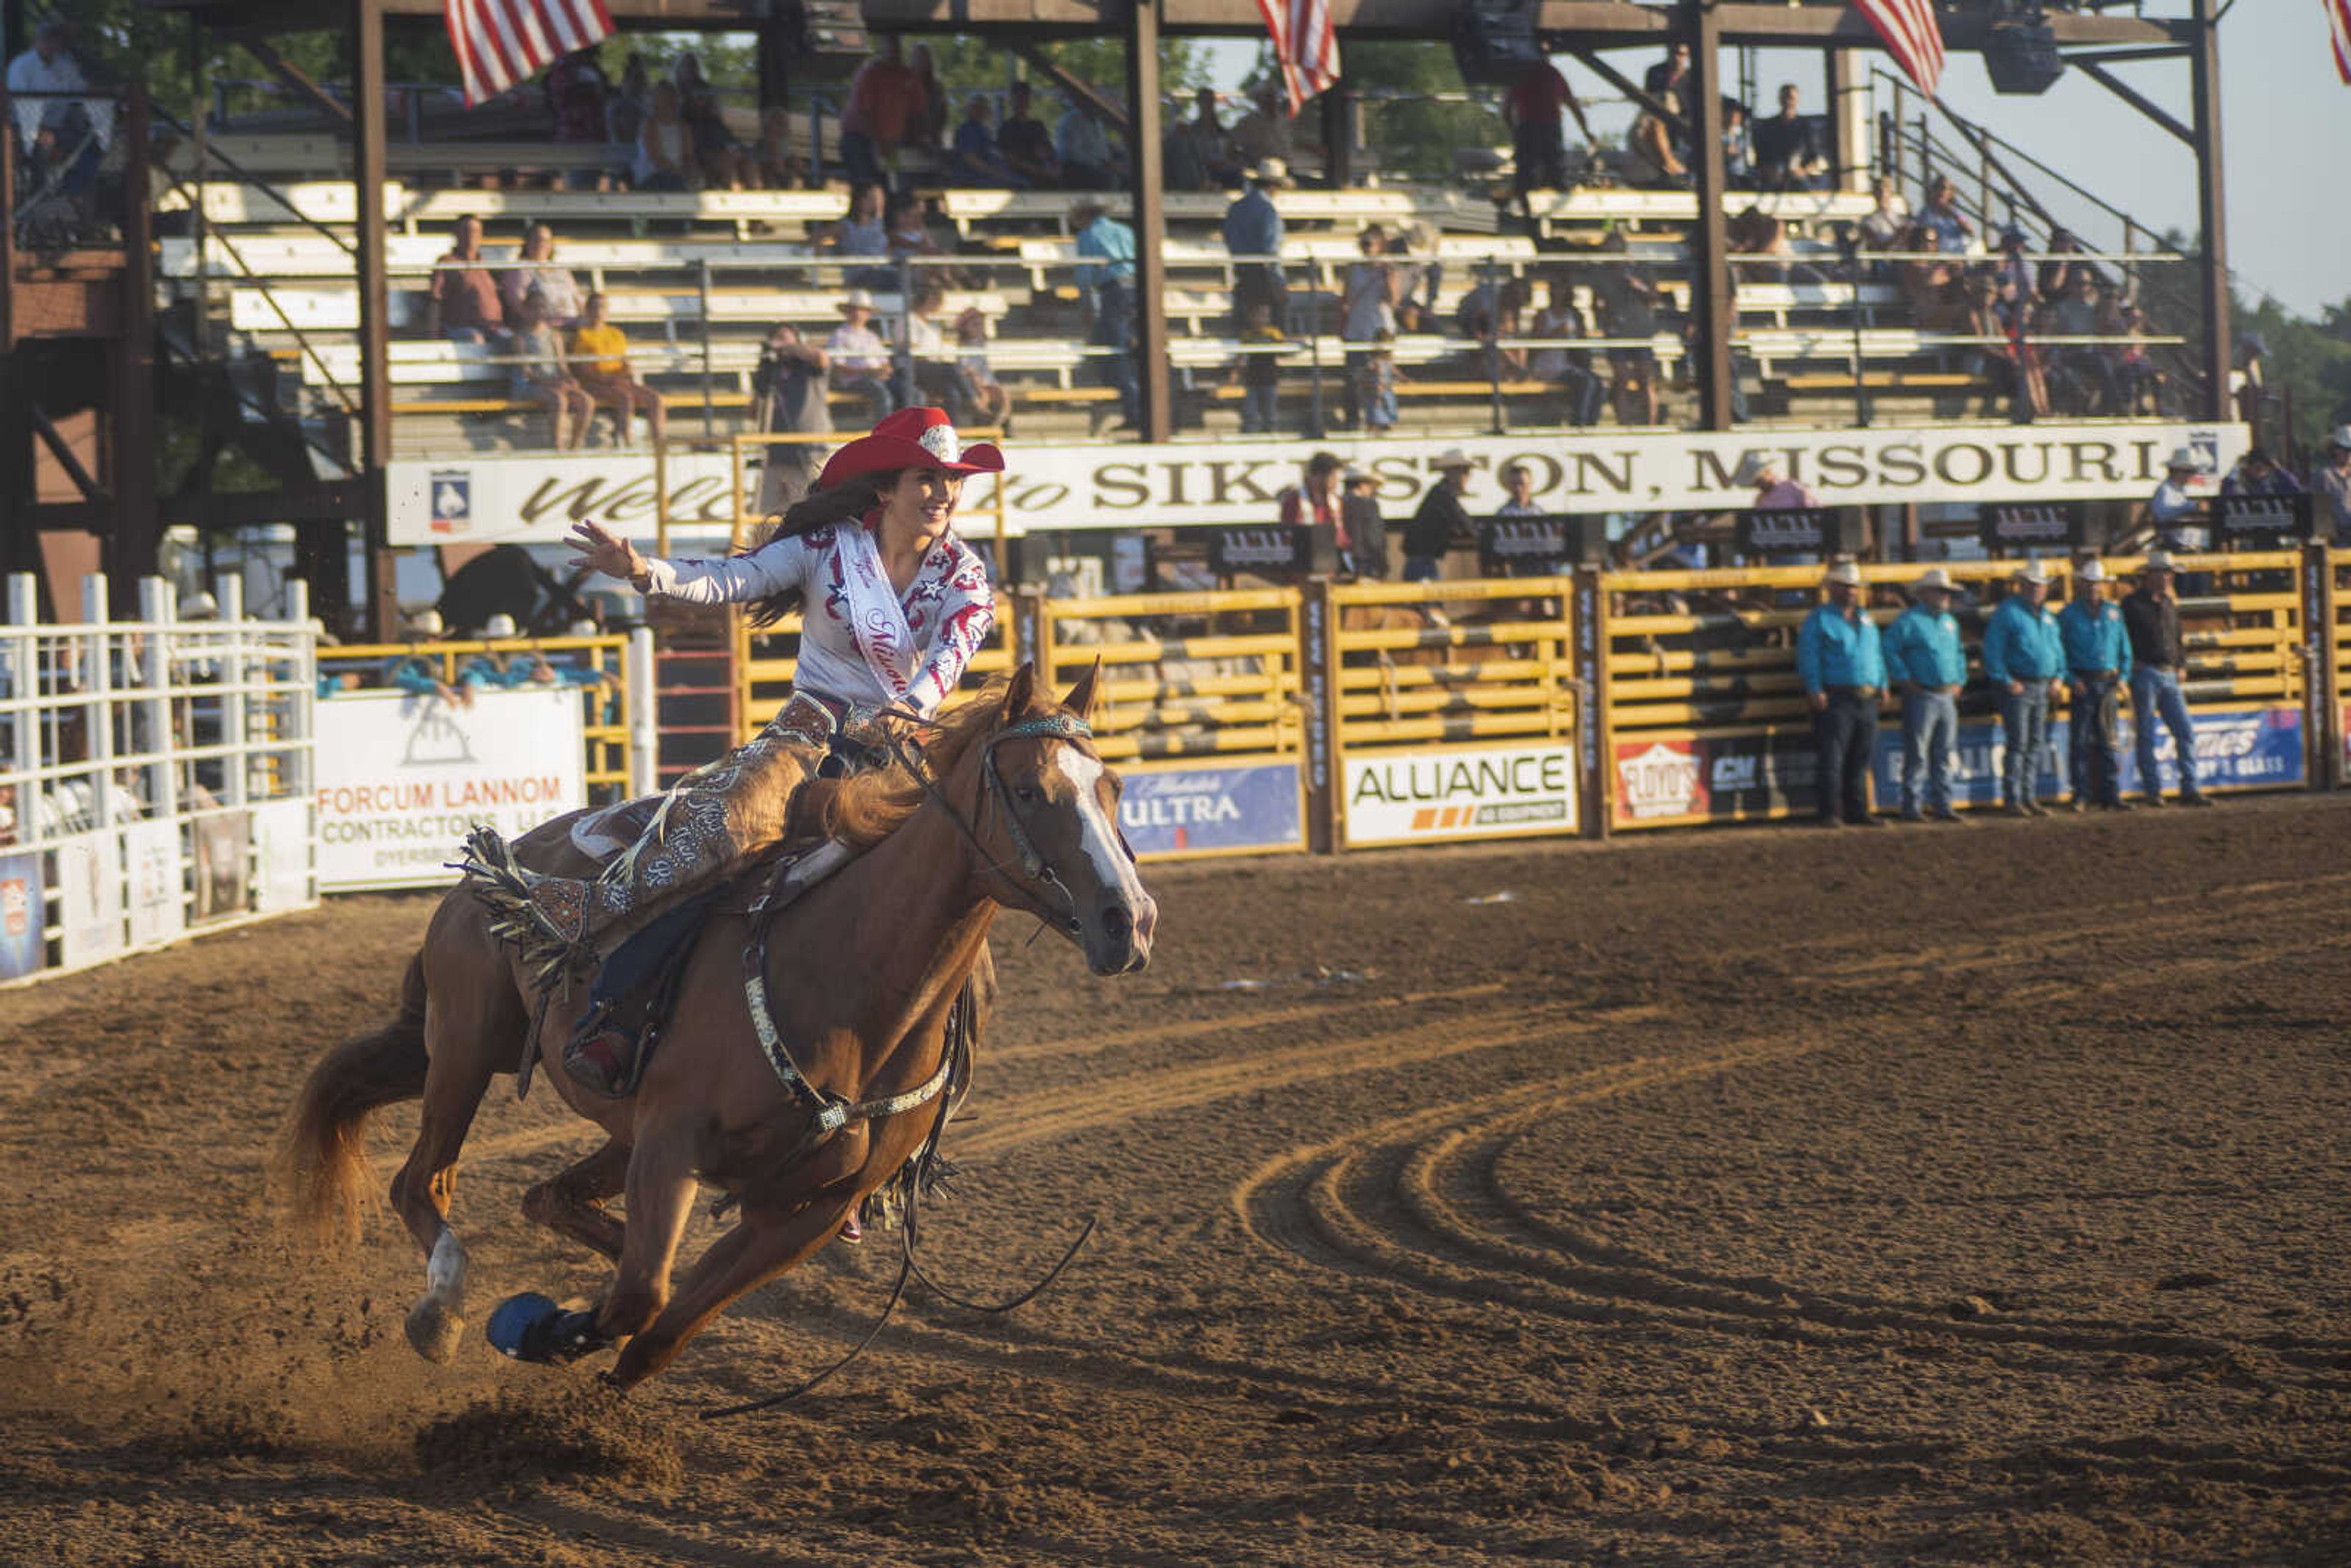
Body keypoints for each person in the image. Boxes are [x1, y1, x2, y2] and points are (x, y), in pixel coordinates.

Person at [463, 407, 1003, 1089]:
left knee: (961, 879)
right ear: (887, 487)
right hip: (808, 736)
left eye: (952, 482)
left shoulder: (965, 576)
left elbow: (949, 660)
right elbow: (733, 578)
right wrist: (641, 568)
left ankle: (936, 1078)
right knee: (720, 837)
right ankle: (611, 991)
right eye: (927, 479)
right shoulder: (829, 548)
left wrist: (909, 711)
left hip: (897, 751)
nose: (942, 495)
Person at [1796, 562, 1886, 827]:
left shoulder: (1866, 620)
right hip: (1836, 695)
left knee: (1860, 756)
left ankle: (1856, 810)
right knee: (1833, 758)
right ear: (1832, 588)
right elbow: (1808, 657)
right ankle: (1830, 812)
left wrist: (1881, 682)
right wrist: (1815, 688)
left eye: (1854, 587)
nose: (1851, 591)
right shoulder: (1819, 619)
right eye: (1846, 586)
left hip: (1864, 695)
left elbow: (1875, 655)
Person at [2121, 549, 2213, 808]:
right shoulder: (2132, 605)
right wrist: (2132, 664)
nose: (2168, 578)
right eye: (2164, 573)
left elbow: (2177, 637)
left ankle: (2187, 787)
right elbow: (2123, 639)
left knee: (2183, 730)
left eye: (2169, 574)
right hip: (2147, 672)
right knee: (2150, 733)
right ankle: (2156, 790)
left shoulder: (2167, 604)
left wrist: (2181, 663)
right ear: (2151, 575)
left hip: (2166, 672)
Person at [1883, 566, 1968, 823]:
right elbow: (1889, 650)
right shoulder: (1909, 622)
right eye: (1940, 592)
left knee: (1942, 751)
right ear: (1924, 594)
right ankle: (1913, 806)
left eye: (1947, 592)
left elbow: (1959, 654)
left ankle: (1942, 804)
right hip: (1923, 693)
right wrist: (1904, 678)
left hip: (1943, 694)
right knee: (1920, 753)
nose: (1945, 596)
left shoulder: (1949, 622)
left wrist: (1960, 679)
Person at [1980, 561, 2065, 817]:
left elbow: (2057, 651)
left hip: (2040, 685)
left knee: (2033, 743)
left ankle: (2027, 796)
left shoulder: (2047, 616)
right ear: (2022, 586)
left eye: (2039, 586)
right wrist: (2006, 680)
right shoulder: (2009, 613)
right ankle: (2015, 797)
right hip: (2021, 685)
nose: (2036, 590)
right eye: (2031, 585)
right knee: (2020, 743)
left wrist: (2058, 676)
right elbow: (1993, 651)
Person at [2058, 560, 2132, 813]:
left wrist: (2123, 676)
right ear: (2082, 585)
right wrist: (2070, 679)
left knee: (2108, 740)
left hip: (2108, 682)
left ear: (2104, 585)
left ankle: (2110, 794)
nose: (2093, 588)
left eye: (2097, 583)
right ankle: (2081, 794)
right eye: (2089, 583)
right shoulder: (2069, 615)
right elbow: (2059, 653)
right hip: (2083, 682)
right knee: (2080, 740)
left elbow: (2125, 649)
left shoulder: (2114, 613)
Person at [1073, 198, 1139, 431]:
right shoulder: (1125, 231)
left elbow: (1085, 273)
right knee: (1130, 345)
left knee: (1116, 347)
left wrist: (1086, 304)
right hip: (1139, 287)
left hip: (1115, 290)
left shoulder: (1088, 235)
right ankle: (1134, 400)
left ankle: (1133, 407)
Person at [569, 291, 666, 449]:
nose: (599, 312)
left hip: (617, 380)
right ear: (587, 311)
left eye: (603, 308)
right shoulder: (582, 335)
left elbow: (624, 362)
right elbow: (582, 369)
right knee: (624, 398)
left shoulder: (617, 334)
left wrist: (623, 375)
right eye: (595, 308)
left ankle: (660, 444)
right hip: (596, 382)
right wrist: (607, 380)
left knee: (655, 398)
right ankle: (627, 442)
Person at [752, 323, 831, 514]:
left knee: (807, 514)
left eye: (783, 337)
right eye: (775, 338)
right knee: (765, 518)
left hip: (806, 453)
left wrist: (789, 347)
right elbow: (754, 412)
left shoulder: (810, 368)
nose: (778, 343)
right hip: (775, 454)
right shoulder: (772, 371)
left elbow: (821, 358)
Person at [1504, 54, 1593, 208]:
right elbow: (1573, 105)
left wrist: (1514, 131)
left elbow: (1507, 110)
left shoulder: (1521, 75)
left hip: (1528, 126)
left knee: (1526, 169)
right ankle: (1556, 195)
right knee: (1553, 165)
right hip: (1548, 125)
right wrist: (1586, 131)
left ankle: (1525, 203)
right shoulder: (1553, 74)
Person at [508, 290, 594, 451]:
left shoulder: (554, 336)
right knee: (559, 400)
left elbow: (562, 366)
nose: (538, 312)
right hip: (529, 385)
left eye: (542, 307)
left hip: (554, 383)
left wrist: (569, 380)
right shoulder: (520, 337)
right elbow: (526, 372)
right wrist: (552, 382)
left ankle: (576, 445)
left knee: (586, 401)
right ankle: (557, 446)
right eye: (534, 307)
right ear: (526, 309)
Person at [1591, 233, 1660, 426]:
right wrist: (1605, 321)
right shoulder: (1601, 274)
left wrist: (1638, 286)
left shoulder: (1641, 269)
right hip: (1617, 333)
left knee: (1645, 379)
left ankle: (1651, 424)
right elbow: (1596, 304)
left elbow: (1655, 297)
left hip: (1640, 331)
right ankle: (1624, 423)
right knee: (1621, 378)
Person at [839, 36, 926, 189]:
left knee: (893, 185)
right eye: (890, 50)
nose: (894, 54)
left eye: (897, 51)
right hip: (861, 139)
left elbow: (918, 112)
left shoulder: (907, 75)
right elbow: (866, 112)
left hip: (892, 141)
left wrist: (920, 138)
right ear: (882, 52)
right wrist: (879, 140)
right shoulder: (870, 74)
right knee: (868, 186)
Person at [1340, 223, 1401, 427]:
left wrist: (1387, 279)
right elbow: (1345, 299)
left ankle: (1383, 418)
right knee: (1353, 377)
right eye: (1363, 244)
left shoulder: (1388, 269)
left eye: (1369, 244)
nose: (1365, 248)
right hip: (1357, 328)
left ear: (1380, 246)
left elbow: (1392, 301)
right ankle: (1353, 419)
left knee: (1380, 378)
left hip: (1380, 330)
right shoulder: (1353, 269)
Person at [1529, 274, 1603, 429]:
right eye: (1554, 289)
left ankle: (1591, 423)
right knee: (1586, 382)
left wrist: (1578, 337)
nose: (1556, 293)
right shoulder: (1543, 316)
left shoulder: (1574, 316)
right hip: (1549, 364)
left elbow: (1582, 346)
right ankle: (1579, 423)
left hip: (1568, 364)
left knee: (1598, 382)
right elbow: (1534, 348)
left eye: (1559, 289)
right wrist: (1554, 334)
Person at [1223, 157, 1289, 332]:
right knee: (1269, 330)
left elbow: (1229, 238)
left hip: (1243, 272)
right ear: (1274, 186)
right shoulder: (1268, 210)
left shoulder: (1236, 207)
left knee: (1246, 329)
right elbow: (1270, 249)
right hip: (1263, 277)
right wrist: (1278, 280)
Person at [673, 53, 751, 189]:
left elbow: (730, 141)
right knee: (724, 162)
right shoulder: (676, 105)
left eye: (693, 66)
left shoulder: (713, 121)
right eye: (686, 66)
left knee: (744, 161)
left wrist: (737, 150)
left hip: (716, 148)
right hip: (691, 152)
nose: (699, 101)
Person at [424, 214, 505, 343]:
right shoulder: (447, 262)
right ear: (456, 234)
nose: (471, 235)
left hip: (493, 328)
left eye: (476, 231)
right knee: (475, 339)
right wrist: (432, 339)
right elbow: (436, 300)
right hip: (462, 329)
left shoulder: (485, 264)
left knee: (515, 340)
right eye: (466, 230)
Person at [1402, 450, 1475, 582]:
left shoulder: (1440, 493)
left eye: (1467, 471)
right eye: (1464, 471)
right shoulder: (1443, 495)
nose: (1467, 476)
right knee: (1430, 601)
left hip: (1422, 561)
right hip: (1423, 563)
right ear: (1451, 473)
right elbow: (1464, 522)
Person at [827, 289, 895, 424]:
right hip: (855, 380)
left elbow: (885, 362)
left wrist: (885, 370)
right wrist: (869, 372)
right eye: (854, 310)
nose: (858, 314)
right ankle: (885, 435)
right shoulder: (840, 335)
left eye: (863, 310)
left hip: (874, 377)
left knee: (909, 391)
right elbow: (838, 368)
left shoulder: (872, 336)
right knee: (882, 394)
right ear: (848, 312)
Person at [501, 221, 583, 326]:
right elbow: (519, 305)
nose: (541, 243)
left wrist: (585, 320)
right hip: (544, 328)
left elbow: (577, 298)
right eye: (537, 239)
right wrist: (541, 328)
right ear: (527, 243)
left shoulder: (561, 270)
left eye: (546, 240)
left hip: (573, 324)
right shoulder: (519, 270)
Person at [1752, 83, 1827, 192]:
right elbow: (1760, 157)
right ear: (1780, 100)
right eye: (1785, 98)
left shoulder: (1805, 127)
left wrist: (1803, 171)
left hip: (1799, 181)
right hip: (1773, 181)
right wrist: (1768, 171)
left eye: (1791, 98)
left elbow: (1815, 157)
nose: (1788, 102)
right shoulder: (1768, 126)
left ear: (1797, 100)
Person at [1231, 298, 1286, 435]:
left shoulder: (1274, 334)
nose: (1261, 319)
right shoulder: (1247, 336)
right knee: (1250, 411)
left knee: (1270, 411)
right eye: (1258, 315)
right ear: (1251, 317)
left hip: (1269, 378)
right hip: (1252, 378)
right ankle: (1249, 433)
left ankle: (1271, 433)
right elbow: (1240, 356)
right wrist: (1235, 372)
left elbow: (1284, 350)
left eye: (1265, 315)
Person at [952, 309, 1011, 432]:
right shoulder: (963, 345)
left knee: (1003, 395)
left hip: (985, 379)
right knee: (983, 397)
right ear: (965, 327)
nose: (979, 328)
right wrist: (977, 380)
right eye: (975, 325)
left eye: (981, 325)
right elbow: (965, 367)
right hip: (971, 381)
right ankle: (986, 427)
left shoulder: (982, 343)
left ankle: (1000, 427)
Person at [996, 81, 1060, 189]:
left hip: (1043, 173)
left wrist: (1055, 167)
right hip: (1020, 176)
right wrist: (1039, 170)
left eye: (1025, 97)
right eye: (1018, 98)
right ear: (1011, 101)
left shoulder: (1038, 126)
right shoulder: (1006, 129)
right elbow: (1010, 159)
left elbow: (1049, 152)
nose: (1022, 102)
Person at [633, 80, 694, 192]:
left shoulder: (683, 126)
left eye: (672, 98)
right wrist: (677, 172)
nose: (670, 103)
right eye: (665, 98)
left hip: (679, 175)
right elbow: (655, 157)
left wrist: (689, 171)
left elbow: (688, 155)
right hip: (652, 175)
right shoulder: (649, 125)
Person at [2148, 445, 2209, 555]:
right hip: (2175, 548)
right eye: (2189, 471)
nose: (2192, 475)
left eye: (2193, 471)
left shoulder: (2180, 491)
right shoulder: (2164, 490)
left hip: (2188, 548)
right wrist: (2192, 507)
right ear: (2177, 471)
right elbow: (2162, 514)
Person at [1623, 88, 1687, 189]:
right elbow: (1666, 157)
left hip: (1637, 177)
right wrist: (1676, 167)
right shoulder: (1655, 124)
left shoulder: (1640, 123)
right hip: (1651, 178)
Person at [948, 94, 1018, 187]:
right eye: (976, 108)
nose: (980, 111)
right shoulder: (967, 130)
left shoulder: (984, 131)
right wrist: (995, 172)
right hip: (975, 181)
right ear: (969, 110)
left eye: (983, 108)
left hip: (994, 178)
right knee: (1018, 185)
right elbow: (970, 158)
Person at [1228, 83, 1295, 171]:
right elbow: (1230, 147)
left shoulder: (1285, 121)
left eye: (1274, 96)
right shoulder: (1247, 122)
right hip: (1260, 170)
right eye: (1267, 97)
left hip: (1287, 168)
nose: (1272, 100)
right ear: (1258, 100)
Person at [1056, 100, 1117, 190]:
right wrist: (1103, 162)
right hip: (1078, 169)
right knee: (1110, 179)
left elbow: (1099, 145)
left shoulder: (1097, 121)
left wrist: (1112, 148)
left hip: (1101, 165)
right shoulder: (1073, 120)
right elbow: (1072, 154)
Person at [1341, 468, 1387, 579]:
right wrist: (1382, 565)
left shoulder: (1338, 504)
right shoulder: (1369, 505)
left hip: (1342, 565)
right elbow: (1374, 538)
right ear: (1363, 485)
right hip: (1367, 565)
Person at [2308, 426, 2351, 544]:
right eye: (2346, 449)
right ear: (2335, 450)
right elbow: (2321, 518)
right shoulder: (2324, 477)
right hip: (2338, 540)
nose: (2349, 454)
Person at [1914, 175, 1973, 255]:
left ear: (1951, 193)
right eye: (1936, 187)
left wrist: (1954, 215)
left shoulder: (1956, 212)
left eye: (1943, 188)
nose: (1939, 191)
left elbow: (1970, 231)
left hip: (1955, 256)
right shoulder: (1925, 213)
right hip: (1935, 258)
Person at [1738, 452, 1818, 511]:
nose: (1759, 484)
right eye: (1757, 483)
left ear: (1769, 475)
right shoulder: (1760, 500)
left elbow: (1812, 509)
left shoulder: (1791, 487)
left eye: (1760, 479)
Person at [1359, 329, 1400, 436]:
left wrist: (1404, 378)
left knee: (1388, 405)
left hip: (1385, 388)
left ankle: (1386, 425)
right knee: (1376, 408)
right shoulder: (1374, 361)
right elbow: (1369, 374)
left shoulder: (1387, 360)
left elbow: (1394, 371)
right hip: (1376, 388)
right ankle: (1374, 427)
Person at [2221, 448, 2303, 500]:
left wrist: (2278, 470)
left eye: (2264, 468)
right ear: (2247, 468)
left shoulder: (2272, 487)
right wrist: (2236, 468)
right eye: (2257, 468)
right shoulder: (2238, 487)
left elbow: (2296, 491)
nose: (2261, 472)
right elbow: (2225, 495)